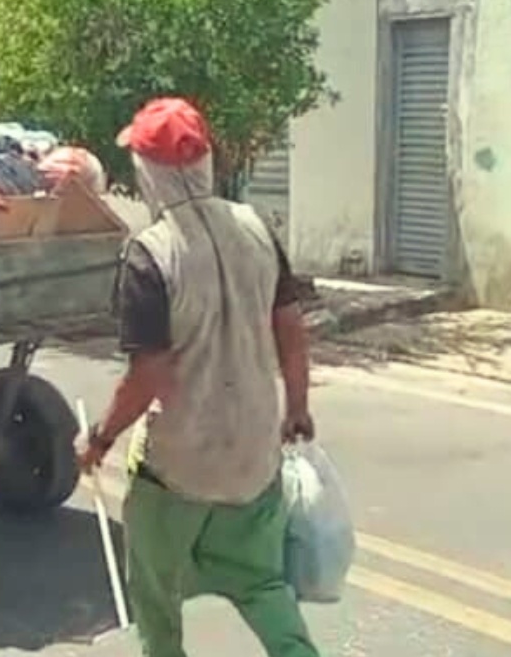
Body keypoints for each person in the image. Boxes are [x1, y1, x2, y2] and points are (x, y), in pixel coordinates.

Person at [77, 97, 319, 657]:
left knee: (157, 599)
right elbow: (291, 328)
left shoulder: (150, 253)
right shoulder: (257, 226)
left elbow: (149, 375)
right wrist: (297, 407)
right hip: (256, 453)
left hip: (179, 464)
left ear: (149, 172)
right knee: (261, 582)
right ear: (206, 159)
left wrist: (99, 439)